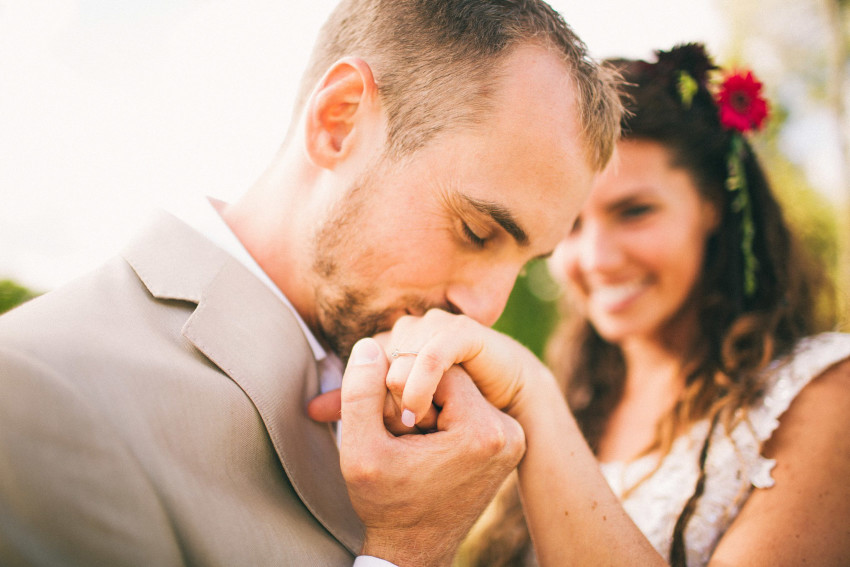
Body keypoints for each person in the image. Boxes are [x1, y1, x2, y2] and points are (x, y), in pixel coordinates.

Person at [0, 1, 623, 566]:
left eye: (527, 262)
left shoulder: (419, 403)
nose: (485, 309)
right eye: (476, 230)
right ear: (339, 121)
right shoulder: (35, 390)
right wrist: (409, 549)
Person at [342, 44, 850, 566]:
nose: (598, 259)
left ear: (711, 206)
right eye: (573, 228)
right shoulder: (585, 398)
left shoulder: (828, 392)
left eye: (634, 212)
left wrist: (532, 395)